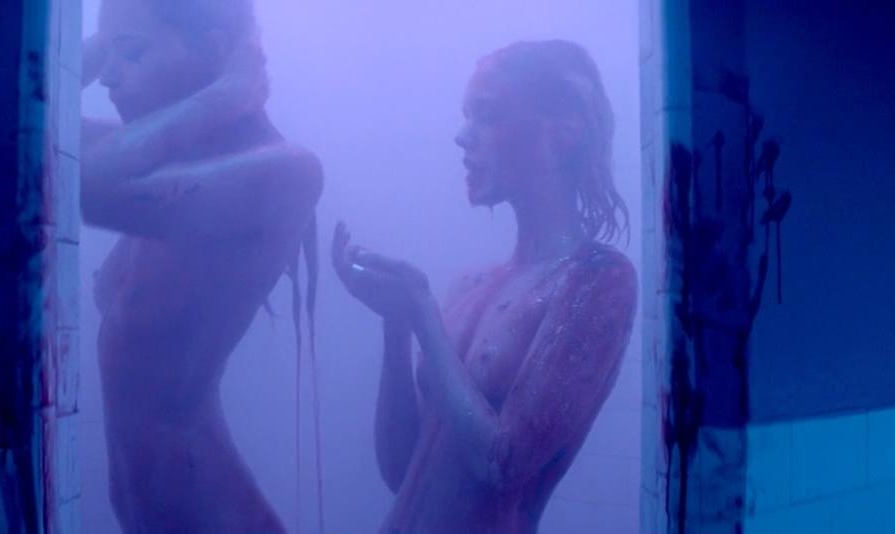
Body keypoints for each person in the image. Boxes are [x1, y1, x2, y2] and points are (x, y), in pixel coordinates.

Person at [331, 40, 636, 534]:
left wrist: (422, 312)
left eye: (488, 114)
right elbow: (400, 472)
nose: (461, 137)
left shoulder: (598, 280)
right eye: (466, 116)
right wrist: (397, 324)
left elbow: (503, 465)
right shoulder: (469, 285)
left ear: (565, 130)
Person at [80, 0, 322, 532]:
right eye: (106, 58)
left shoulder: (286, 172)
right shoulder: (158, 158)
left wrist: (225, 95)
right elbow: (33, 129)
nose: (108, 77)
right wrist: (112, 37)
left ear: (214, 50)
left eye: (132, 54)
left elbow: (78, 182)